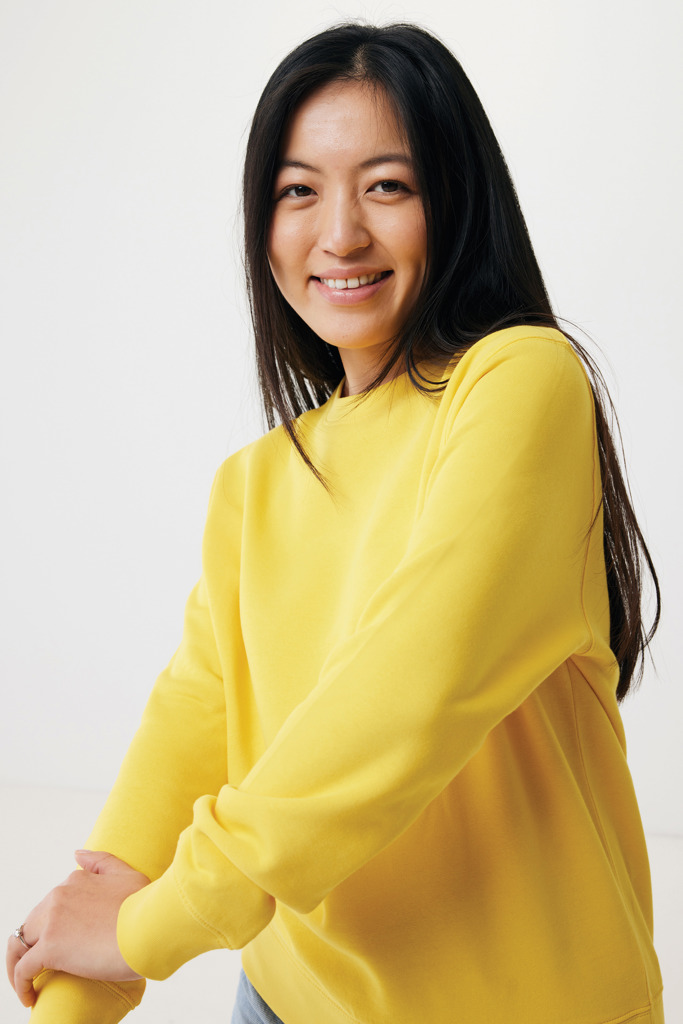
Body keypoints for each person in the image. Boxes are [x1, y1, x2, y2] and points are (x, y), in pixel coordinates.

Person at [6, 21, 665, 1024]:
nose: (341, 233)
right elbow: (194, 716)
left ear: (455, 200)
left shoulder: (519, 380)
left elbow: (409, 685)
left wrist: (151, 926)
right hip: (282, 999)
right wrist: (87, 960)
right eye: (298, 191)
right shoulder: (256, 481)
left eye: (387, 186)